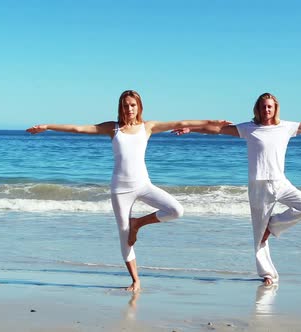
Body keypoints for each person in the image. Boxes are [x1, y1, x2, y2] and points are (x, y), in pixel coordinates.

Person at [27, 90, 229, 292]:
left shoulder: (148, 127)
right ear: (120, 107)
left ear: (139, 107)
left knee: (176, 210)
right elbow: (79, 128)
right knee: (124, 237)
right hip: (120, 189)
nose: (129, 109)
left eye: (133, 105)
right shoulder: (113, 128)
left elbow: (181, 122)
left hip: (143, 185)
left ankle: (138, 223)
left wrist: (212, 121)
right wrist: (47, 126)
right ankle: (136, 281)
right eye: (125, 105)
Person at [174, 92, 301, 285]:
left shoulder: (286, 127)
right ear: (258, 108)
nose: (266, 110)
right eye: (263, 106)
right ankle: (268, 275)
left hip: (280, 182)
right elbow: (216, 129)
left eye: (270, 107)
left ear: (275, 108)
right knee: (259, 236)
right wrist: (191, 128)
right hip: (259, 186)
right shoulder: (248, 128)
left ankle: (271, 226)